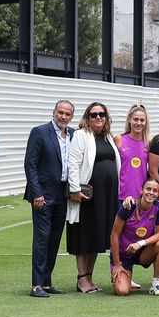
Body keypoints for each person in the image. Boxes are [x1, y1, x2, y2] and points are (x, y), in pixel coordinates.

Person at [66, 102, 122, 295]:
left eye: (102, 114)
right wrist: (74, 188)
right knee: (85, 234)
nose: (98, 117)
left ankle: (89, 276)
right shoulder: (81, 135)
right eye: (94, 114)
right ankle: (82, 278)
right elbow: (72, 163)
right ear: (87, 118)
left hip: (107, 195)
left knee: (98, 235)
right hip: (87, 193)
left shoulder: (108, 137)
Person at [24, 100, 75, 297]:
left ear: (71, 116)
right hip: (43, 195)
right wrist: (36, 193)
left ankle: (46, 282)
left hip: (62, 194)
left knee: (54, 239)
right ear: (54, 112)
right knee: (42, 239)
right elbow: (30, 164)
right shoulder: (39, 132)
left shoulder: (72, 134)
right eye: (60, 112)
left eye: (67, 114)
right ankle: (36, 284)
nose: (63, 116)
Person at [110, 179, 159, 296]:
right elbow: (114, 235)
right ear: (141, 190)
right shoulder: (128, 206)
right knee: (122, 291)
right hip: (124, 255)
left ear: (158, 194)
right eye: (148, 189)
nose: (151, 192)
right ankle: (125, 274)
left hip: (143, 252)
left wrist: (140, 244)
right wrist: (117, 264)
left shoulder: (158, 207)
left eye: (154, 190)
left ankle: (155, 286)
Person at [115, 103, 151, 204]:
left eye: (142, 120)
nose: (139, 123)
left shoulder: (149, 143)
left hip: (141, 197)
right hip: (121, 195)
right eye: (135, 119)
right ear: (129, 120)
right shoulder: (119, 139)